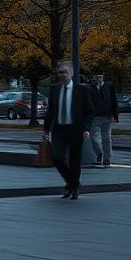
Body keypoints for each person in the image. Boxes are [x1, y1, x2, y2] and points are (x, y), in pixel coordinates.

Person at [44, 60, 94, 200]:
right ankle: (74, 184)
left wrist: (86, 129)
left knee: (74, 160)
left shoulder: (82, 90)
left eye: (64, 72)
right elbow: (50, 112)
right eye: (59, 72)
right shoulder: (54, 90)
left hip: (76, 130)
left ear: (71, 73)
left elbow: (90, 111)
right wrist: (46, 131)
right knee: (57, 158)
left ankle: (72, 187)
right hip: (59, 130)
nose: (61, 75)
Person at [89, 73, 118, 167]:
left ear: (103, 77)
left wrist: (115, 115)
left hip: (107, 115)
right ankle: (100, 152)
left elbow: (114, 100)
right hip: (94, 116)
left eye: (100, 76)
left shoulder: (109, 86)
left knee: (107, 139)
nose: (98, 78)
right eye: (96, 76)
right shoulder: (90, 86)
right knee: (94, 138)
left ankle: (107, 160)